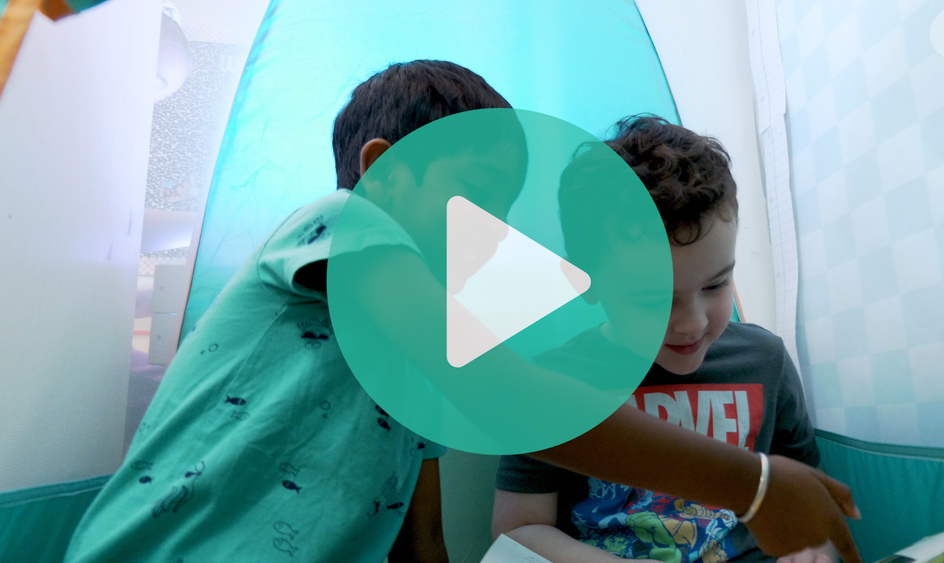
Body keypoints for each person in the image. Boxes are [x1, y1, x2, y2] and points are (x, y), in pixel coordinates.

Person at [65, 61, 859, 563]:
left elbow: (424, 542)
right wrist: (752, 484)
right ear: (384, 175)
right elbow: (515, 396)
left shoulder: (421, 374)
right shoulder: (347, 223)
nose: (491, 238)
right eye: (475, 202)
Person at [492, 115, 841, 563]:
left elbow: (811, 510)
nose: (691, 323)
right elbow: (516, 529)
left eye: (715, 286)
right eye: (654, 299)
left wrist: (813, 548)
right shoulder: (549, 382)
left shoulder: (765, 361)